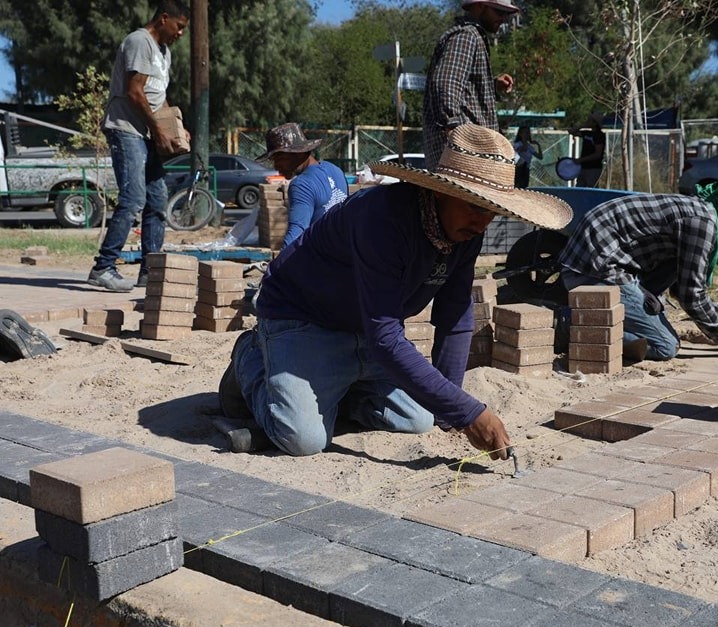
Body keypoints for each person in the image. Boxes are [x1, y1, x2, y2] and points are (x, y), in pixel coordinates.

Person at [218, 124, 572, 457]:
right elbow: (386, 338)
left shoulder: (466, 232)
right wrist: (468, 413)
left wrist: (452, 413)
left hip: (361, 327)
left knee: (418, 420)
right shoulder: (382, 220)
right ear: (441, 193)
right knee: (302, 440)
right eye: (474, 207)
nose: (482, 222)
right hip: (302, 317)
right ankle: (250, 355)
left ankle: (339, 392)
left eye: (492, 212)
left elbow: (455, 315)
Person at [558, 172, 718, 362]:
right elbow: (692, 297)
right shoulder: (703, 223)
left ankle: (595, 314)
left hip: (603, 260)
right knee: (665, 345)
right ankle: (567, 323)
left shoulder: (701, 211)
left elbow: (686, 289)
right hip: (593, 269)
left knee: (672, 273)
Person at [87, 1, 190, 292]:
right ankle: (103, 267)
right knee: (133, 199)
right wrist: (158, 130)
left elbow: (158, 96)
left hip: (147, 134)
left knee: (157, 202)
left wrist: (175, 126)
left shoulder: (163, 52)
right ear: (164, 18)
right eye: (179, 26)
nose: (180, 33)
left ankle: (151, 271)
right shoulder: (139, 41)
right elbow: (135, 92)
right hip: (127, 130)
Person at [422, 0, 519, 170]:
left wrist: (492, 86)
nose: (503, 18)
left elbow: (459, 87)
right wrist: (455, 132)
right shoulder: (466, 36)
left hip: (465, 151)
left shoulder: (470, 36)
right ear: (480, 6)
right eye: (498, 11)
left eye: (507, 14)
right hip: (462, 154)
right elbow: (446, 83)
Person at [256, 123, 348, 249]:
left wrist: (278, 266)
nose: (276, 166)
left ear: (299, 153)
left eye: (280, 158)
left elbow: (297, 232)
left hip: (321, 262)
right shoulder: (336, 171)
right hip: (344, 257)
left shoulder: (301, 185)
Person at [568, 114, 605, 188]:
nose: (588, 121)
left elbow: (598, 154)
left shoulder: (599, 135)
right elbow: (571, 131)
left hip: (593, 167)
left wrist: (581, 160)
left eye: (590, 120)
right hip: (583, 167)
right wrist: (582, 126)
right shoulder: (587, 133)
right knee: (579, 187)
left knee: (591, 187)